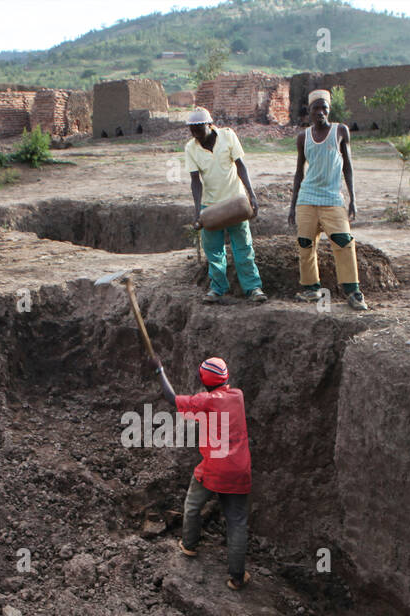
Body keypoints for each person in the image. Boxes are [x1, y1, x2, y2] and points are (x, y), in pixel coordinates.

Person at [149, 353, 252, 590]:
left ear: (203, 380)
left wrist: (159, 370)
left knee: (193, 505)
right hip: (239, 471)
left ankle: (189, 544)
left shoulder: (205, 400)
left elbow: (172, 398)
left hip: (213, 469)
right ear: (226, 377)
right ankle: (237, 577)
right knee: (236, 523)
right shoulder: (237, 395)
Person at [288, 89, 369, 311]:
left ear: (329, 110)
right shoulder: (303, 137)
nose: (321, 112)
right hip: (307, 198)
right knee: (305, 244)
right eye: (317, 108)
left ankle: (353, 292)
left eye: (325, 108)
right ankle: (311, 288)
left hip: (332, 198)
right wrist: (293, 205)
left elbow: (348, 167)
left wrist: (352, 199)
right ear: (310, 112)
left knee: (344, 241)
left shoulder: (340, 131)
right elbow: (299, 172)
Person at [184, 107, 267, 305]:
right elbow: (196, 181)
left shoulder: (228, 136)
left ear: (209, 125)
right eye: (191, 129)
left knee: (243, 247)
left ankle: (253, 287)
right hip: (210, 206)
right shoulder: (191, 148)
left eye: (198, 127)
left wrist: (251, 194)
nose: (194, 132)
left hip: (234, 202)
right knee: (213, 251)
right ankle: (217, 288)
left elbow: (240, 166)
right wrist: (197, 211)